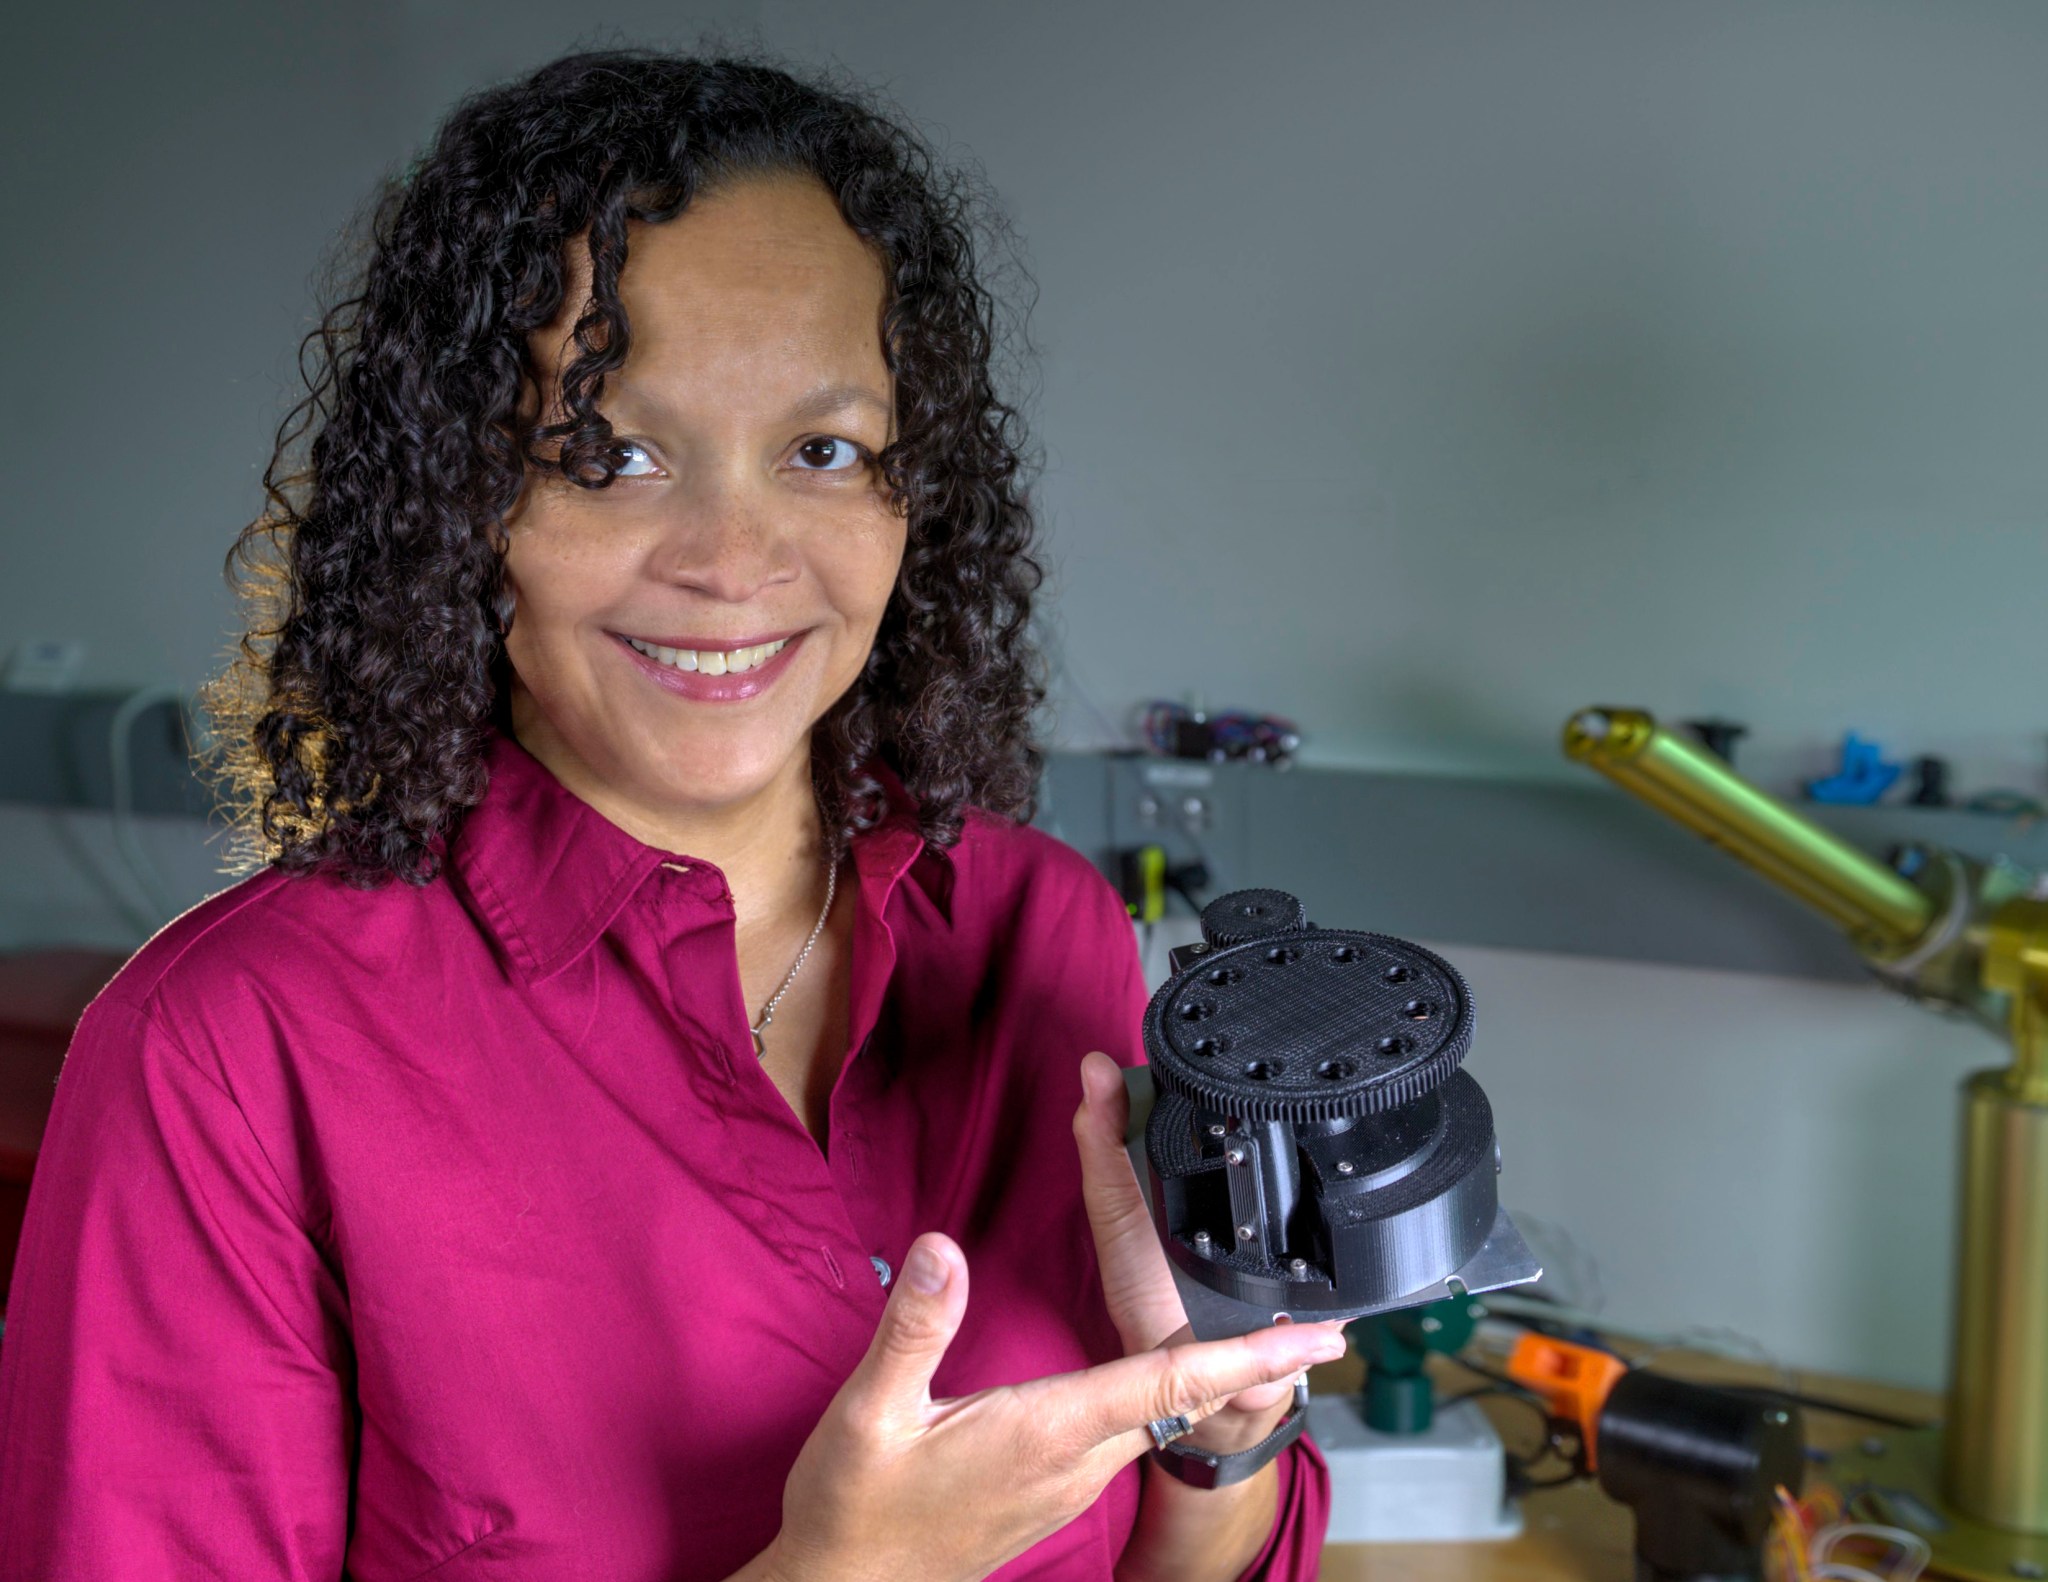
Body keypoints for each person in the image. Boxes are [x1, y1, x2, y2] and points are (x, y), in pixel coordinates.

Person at [0, 51, 1338, 1582]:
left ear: (919, 491)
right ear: (464, 499)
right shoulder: (227, 1051)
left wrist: (1217, 1429)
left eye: (823, 452)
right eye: (610, 456)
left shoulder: (1043, 932)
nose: (733, 558)